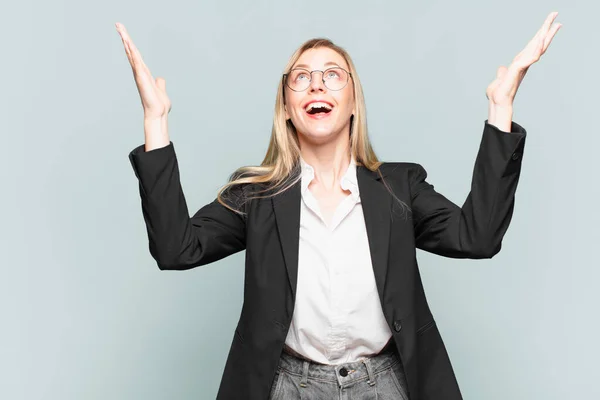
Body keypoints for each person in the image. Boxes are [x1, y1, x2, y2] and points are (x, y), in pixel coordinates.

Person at [116, 12, 561, 400]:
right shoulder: (256, 194)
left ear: (351, 102)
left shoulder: (399, 187)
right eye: (301, 76)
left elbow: (478, 237)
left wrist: (500, 108)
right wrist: (155, 121)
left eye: (332, 74)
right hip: (287, 385)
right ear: (288, 107)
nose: (316, 83)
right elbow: (176, 249)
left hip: (386, 383)